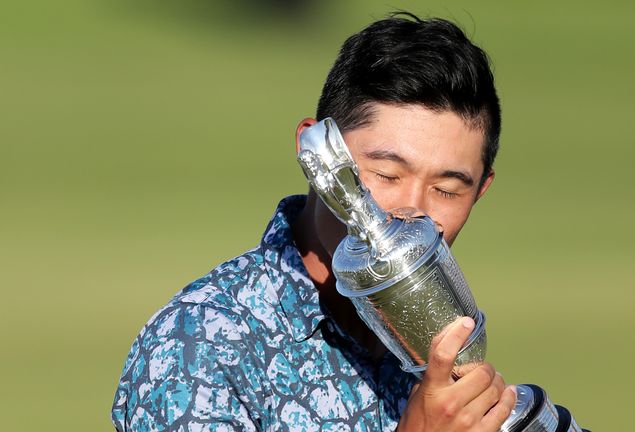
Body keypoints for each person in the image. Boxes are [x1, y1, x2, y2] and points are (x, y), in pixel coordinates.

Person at [112, 12, 517, 432]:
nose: (411, 211)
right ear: (318, 157)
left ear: (480, 191)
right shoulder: (199, 344)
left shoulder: (440, 351)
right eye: (387, 175)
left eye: (447, 189)